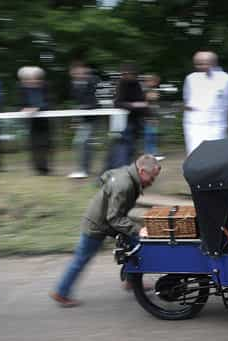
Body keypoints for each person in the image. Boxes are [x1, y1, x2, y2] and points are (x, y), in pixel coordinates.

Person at [50, 154, 162, 307]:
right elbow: (114, 218)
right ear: (142, 171)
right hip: (97, 225)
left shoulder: (127, 172)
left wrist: (107, 193)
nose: (152, 182)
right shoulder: (125, 185)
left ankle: (131, 281)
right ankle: (61, 292)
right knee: (81, 258)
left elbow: (106, 175)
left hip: (108, 221)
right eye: (152, 178)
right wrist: (137, 230)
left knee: (135, 247)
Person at [183, 51, 228, 155]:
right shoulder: (191, 78)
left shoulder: (227, 79)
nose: (201, 66)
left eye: (204, 63)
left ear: (214, 63)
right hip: (194, 124)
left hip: (216, 124)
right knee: (194, 153)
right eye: (198, 64)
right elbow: (187, 100)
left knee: (215, 154)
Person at [112, 63, 147, 168]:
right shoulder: (121, 84)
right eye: (124, 74)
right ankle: (123, 166)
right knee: (125, 146)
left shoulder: (137, 84)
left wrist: (147, 114)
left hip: (136, 119)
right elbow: (117, 103)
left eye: (129, 74)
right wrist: (133, 105)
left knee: (133, 146)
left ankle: (130, 166)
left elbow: (142, 101)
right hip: (124, 121)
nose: (126, 76)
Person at [18, 66, 52, 175]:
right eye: (28, 79)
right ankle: (38, 168)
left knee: (45, 144)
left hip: (45, 120)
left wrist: (37, 107)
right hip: (31, 122)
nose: (32, 81)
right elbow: (21, 104)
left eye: (35, 78)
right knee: (34, 145)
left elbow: (49, 102)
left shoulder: (45, 87)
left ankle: (45, 167)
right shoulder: (22, 89)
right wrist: (24, 108)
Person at [67, 62, 99, 179]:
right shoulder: (73, 84)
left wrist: (88, 75)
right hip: (82, 117)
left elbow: (91, 101)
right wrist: (75, 119)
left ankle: (83, 170)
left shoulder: (91, 80)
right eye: (74, 72)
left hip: (92, 116)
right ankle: (84, 169)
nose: (77, 74)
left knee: (82, 142)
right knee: (83, 142)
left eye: (80, 71)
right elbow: (77, 103)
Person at [140, 73, 164, 159]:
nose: (156, 83)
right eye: (155, 82)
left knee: (153, 135)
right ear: (148, 81)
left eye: (157, 82)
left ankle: (153, 152)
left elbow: (155, 102)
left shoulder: (153, 90)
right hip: (148, 117)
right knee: (149, 136)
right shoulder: (145, 90)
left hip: (153, 116)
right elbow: (148, 101)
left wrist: (156, 118)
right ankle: (149, 153)